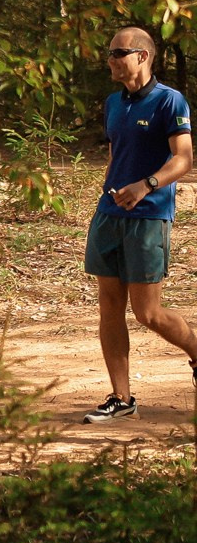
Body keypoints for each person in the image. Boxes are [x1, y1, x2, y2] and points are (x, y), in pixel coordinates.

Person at [81, 24, 197, 422]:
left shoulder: (170, 101)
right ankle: (122, 397)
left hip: (148, 216)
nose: (110, 60)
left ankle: (196, 353)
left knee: (148, 313)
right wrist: (109, 187)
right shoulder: (114, 102)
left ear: (142, 56)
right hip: (109, 215)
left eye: (118, 52)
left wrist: (146, 186)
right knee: (109, 306)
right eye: (110, 52)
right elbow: (117, 151)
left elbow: (183, 159)